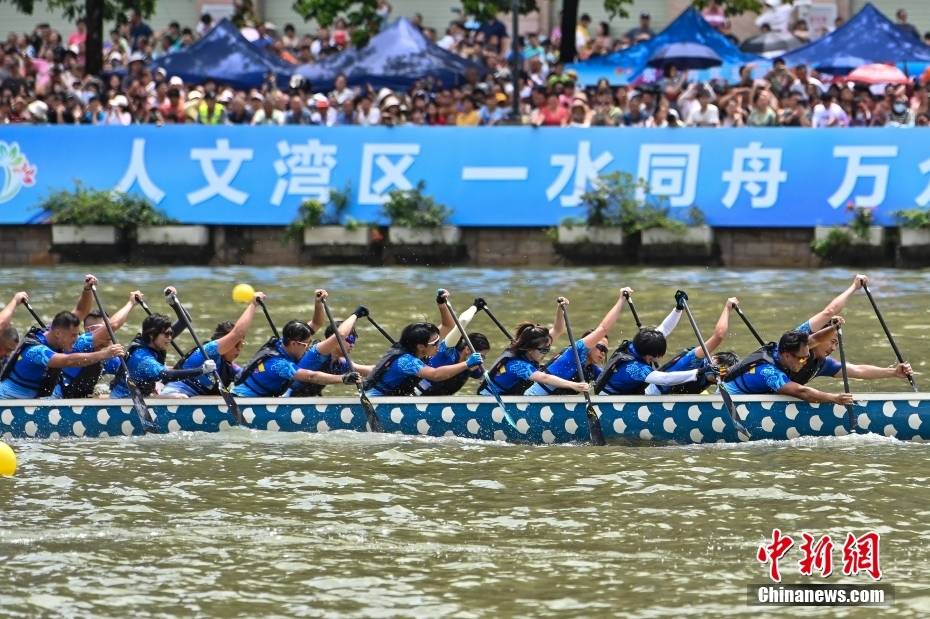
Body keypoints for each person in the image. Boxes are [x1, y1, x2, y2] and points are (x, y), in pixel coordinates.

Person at [594, 293, 715, 395]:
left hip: (621, 390)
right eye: (655, 356)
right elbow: (665, 379)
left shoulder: (639, 343)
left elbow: (664, 329)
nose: (657, 358)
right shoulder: (636, 368)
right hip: (610, 400)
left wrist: (678, 308)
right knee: (666, 377)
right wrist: (699, 372)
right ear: (648, 355)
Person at [160, 290, 267, 398]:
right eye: (236, 345)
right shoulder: (208, 351)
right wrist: (253, 304)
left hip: (195, 401)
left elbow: (253, 378)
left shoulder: (230, 368)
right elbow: (237, 334)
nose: (238, 350)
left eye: (241, 345)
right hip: (174, 394)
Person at [525, 288, 632, 395]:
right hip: (533, 399)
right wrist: (621, 299)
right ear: (590, 344)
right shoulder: (576, 351)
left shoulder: (592, 370)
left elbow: (613, 382)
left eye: (606, 351)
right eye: (601, 348)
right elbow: (603, 328)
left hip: (554, 406)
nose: (603, 353)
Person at [0, 311, 123, 399]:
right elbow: (69, 360)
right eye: (74, 335)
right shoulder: (35, 351)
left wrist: (87, 290)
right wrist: (104, 354)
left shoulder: (73, 342)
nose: (77, 339)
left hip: (33, 397)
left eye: (77, 335)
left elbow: (83, 312)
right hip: (6, 398)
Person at [478, 299, 587, 396]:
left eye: (548, 349)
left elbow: (558, 330)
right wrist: (573, 385)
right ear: (529, 349)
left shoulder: (539, 342)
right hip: (489, 399)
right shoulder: (516, 365)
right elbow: (545, 378)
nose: (546, 352)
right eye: (544, 350)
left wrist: (560, 309)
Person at [232, 319, 359, 398]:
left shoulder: (283, 342)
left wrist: (318, 301)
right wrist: (343, 378)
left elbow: (316, 323)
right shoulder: (281, 365)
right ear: (294, 344)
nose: (308, 348)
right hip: (243, 398)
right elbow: (311, 376)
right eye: (306, 345)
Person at [722, 330, 854, 406]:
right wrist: (835, 398)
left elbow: (815, 339)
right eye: (802, 358)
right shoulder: (768, 372)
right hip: (729, 399)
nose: (805, 362)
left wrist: (833, 327)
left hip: (752, 396)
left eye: (807, 357)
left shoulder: (787, 348)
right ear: (786, 355)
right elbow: (802, 392)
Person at [53, 290, 144, 398]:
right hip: (56, 399)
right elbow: (113, 325)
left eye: (101, 329)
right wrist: (131, 303)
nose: (108, 334)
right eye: (93, 331)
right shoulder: (78, 344)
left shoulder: (108, 358)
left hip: (79, 398)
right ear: (87, 332)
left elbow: (135, 371)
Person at [645, 298, 740, 395]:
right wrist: (727, 308)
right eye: (720, 368)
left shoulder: (715, 379)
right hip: (650, 394)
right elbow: (719, 336)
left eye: (724, 373)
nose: (720, 373)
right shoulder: (695, 360)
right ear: (714, 358)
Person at [110, 311, 216, 398]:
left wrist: (173, 303)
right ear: (151, 335)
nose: (170, 338)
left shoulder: (154, 342)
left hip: (141, 396)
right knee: (179, 397)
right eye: (166, 334)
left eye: (171, 334)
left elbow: (185, 320)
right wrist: (202, 370)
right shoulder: (143, 358)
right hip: (124, 401)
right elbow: (167, 376)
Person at [287, 306, 374, 397]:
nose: (352, 344)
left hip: (305, 400)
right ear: (333, 340)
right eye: (350, 339)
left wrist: (389, 363)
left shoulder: (340, 363)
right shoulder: (317, 352)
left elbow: (372, 370)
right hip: (287, 398)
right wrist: (355, 315)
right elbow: (340, 334)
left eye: (354, 340)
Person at [0, 291, 29, 368]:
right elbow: (1, 323)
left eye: (11, 351)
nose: (7, 354)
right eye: (7, 349)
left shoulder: (6, 360)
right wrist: (15, 300)